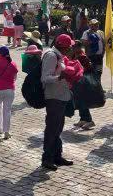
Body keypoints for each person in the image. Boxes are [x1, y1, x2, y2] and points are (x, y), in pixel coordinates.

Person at [41, 34, 74, 170]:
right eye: (68, 46)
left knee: (58, 128)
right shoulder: (51, 56)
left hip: (61, 96)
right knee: (52, 128)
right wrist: (60, 77)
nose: (70, 49)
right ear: (62, 46)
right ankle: (47, 158)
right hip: (53, 97)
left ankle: (57, 156)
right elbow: (45, 78)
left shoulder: (59, 55)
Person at [0, 46, 18, 139]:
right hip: (10, 90)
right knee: (7, 111)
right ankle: (6, 132)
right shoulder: (13, 64)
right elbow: (15, 78)